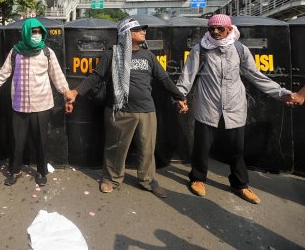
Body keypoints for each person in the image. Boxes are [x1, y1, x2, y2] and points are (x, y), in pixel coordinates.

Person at [175, 14, 295, 204]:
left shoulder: (239, 49)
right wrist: (180, 96)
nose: (215, 32)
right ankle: (197, 178)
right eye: (211, 28)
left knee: (237, 149)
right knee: (202, 146)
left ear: (229, 29)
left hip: (234, 106)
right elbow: (187, 77)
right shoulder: (201, 50)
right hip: (208, 106)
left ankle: (240, 185)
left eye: (219, 29)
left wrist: (282, 93)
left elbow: (256, 76)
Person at [65, 17, 186, 198]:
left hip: (146, 111)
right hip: (120, 110)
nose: (143, 32)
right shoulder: (112, 54)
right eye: (138, 29)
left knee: (147, 149)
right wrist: (76, 92)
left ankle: (148, 180)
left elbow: (164, 79)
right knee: (116, 148)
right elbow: (96, 76)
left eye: (143, 29)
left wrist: (179, 97)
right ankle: (111, 179)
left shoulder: (148, 56)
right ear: (126, 34)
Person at [0, 19, 71, 187]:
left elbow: (57, 76)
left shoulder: (47, 52)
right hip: (19, 105)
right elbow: (3, 74)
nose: (36, 35)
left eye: (38, 32)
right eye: (33, 32)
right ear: (26, 33)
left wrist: (66, 94)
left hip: (41, 105)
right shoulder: (16, 52)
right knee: (17, 140)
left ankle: (42, 172)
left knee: (41, 141)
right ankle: (15, 171)